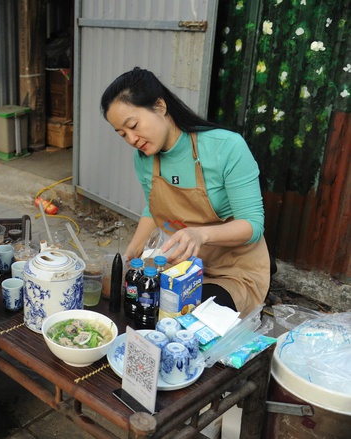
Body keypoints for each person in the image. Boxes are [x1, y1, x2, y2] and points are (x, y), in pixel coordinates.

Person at [100, 67, 270, 316]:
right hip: (180, 267)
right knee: (138, 303)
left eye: (133, 125)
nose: (132, 139)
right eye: (123, 134)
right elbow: (153, 208)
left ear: (159, 106)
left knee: (190, 318)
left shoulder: (226, 147)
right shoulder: (145, 160)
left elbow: (253, 225)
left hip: (232, 270)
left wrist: (200, 235)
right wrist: (131, 255)